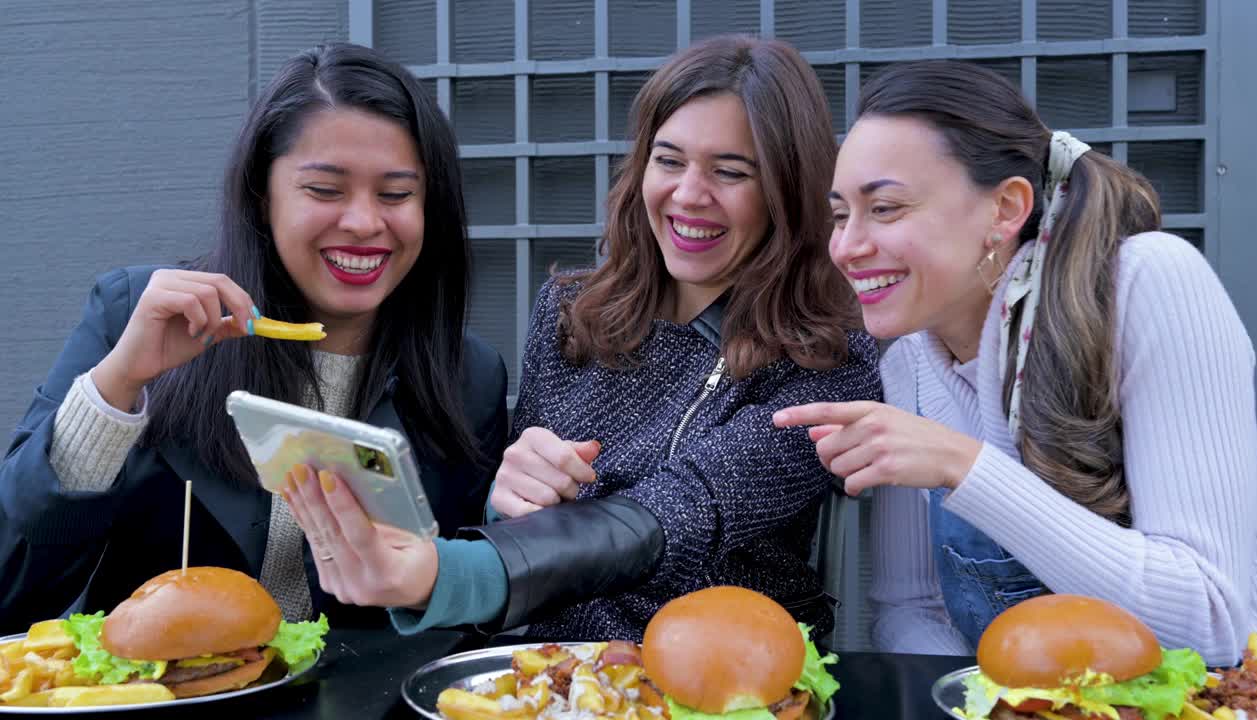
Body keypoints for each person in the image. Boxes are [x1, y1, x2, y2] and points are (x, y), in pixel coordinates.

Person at [283, 34, 882, 641]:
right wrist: (509, 497)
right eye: (669, 161)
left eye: (730, 172)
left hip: (718, 675)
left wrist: (447, 576)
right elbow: (524, 524)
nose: (689, 195)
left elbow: (678, 513)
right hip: (552, 674)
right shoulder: (572, 311)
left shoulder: (829, 358)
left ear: (786, 190)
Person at [773, 59, 1257, 666]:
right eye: (839, 215)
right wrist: (993, 700)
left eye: (884, 209)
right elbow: (912, 612)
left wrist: (965, 467)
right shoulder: (909, 364)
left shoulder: (1149, 284)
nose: (848, 247)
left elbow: (1210, 622)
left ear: (1006, 209)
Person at [0, 43, 508, 633]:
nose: (365, 223)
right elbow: (13, 589)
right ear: (263, 196)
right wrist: (117, 385)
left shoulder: (468, 377)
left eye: (396, 194)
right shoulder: (140, 314)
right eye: (324, 190)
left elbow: (465, 611)